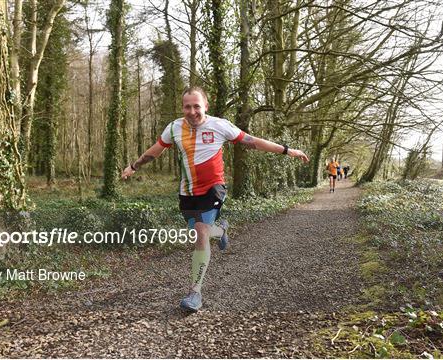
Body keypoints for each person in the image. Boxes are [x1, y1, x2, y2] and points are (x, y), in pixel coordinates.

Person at [121, 86, 310, 312]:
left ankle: (195, 293)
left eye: (196, 106)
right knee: (200, 233)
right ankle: (221, 230)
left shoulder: (219, 125)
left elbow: (253, 141)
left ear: (205, 107)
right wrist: (134, 166)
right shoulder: (173, 128)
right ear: (182, 107)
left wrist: (288, 150)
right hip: (188, 192)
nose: (192, 111)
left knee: (201, 233)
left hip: (213, 189)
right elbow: (155, 150)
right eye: (187, 107)